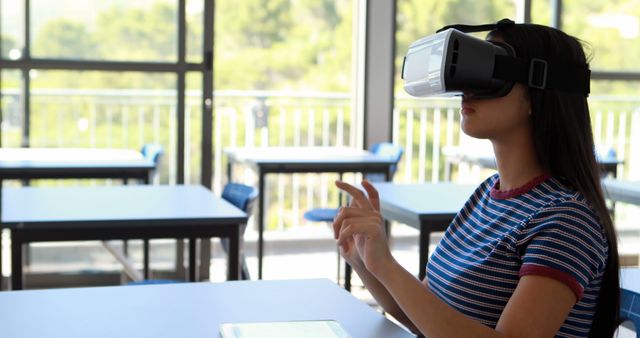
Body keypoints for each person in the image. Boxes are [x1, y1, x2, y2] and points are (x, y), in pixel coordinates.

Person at [332, 20, 620, 338]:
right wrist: (366, 258)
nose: (467, 89)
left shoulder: (566, 218)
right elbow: (422, 317)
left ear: (537, 95)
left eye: (489, 74)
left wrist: (387, 266)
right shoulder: (488, 194)